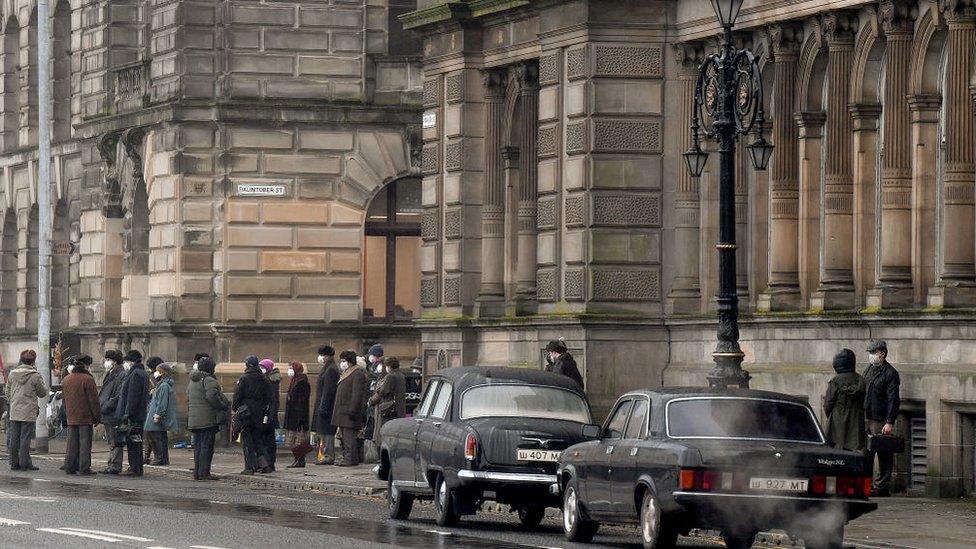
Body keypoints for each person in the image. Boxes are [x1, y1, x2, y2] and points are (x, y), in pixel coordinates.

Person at [864, 340, 900, 497]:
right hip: (867, 416)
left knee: (884, 453)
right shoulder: (869, 369)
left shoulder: (890, 373)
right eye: (870, 353)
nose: (871, 356)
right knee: (866, 453)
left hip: (880, 419)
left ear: (882, 354)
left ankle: (882, 486)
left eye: (874, 352)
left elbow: (893, 399)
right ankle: (866, 484)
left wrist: (889, 421)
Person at [4, 350, 48, 471]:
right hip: (28, 411)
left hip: (14, 410)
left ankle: (14, 463)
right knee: (25, 438)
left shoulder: (12, 374)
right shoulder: (35, 375)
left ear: (21, 360)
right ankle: (24, 463)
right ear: (33, 361)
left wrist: (13, 402)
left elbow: (7, 391)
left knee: (14, 438)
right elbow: (42, 393)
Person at [188, 356, 229, 480]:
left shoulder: (192, 380)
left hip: (194, 418)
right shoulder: (209, 380)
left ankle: (197, 472)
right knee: (207, 447)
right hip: (207, 419)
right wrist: (221, 406)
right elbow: (212, 396)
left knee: (198, 447)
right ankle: (204, 472)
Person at [61, 354, 100, 475]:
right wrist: (97, 416)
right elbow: (93, 401)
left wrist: (66, 414)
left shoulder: (66, 379)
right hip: (85, 416)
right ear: (86, 366)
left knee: (71, 443)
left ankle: (70, 466)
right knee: (85, 443)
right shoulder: (88, 379)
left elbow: (64, 400)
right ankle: (84, 467)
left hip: (71, 415)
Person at [233, 355, 272, 475]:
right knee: (258, 440)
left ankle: (250, 467)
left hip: (246, 413)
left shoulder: (244, 378)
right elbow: (268, 397)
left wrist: (235, 408)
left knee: (247, 440)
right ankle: (265, 465)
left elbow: (237, 396)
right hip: (259, 413)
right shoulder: (264, 379)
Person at [824, 349, 866, 452]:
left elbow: (828, 404)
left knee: (836, 454)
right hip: (856, 423)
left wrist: (832, 416)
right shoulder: (860, 379)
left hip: (837, 423)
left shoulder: (835, 381)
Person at [116, 350, 150, 477]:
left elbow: (132, 396)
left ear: (131, 361)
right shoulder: (142, 373)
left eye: (127, 361)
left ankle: (134, 467)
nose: (125, 363)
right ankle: (137, 467)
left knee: (133, 443)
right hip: (140, 414)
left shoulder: (135, 374)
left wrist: (127, 413)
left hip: (133, 415)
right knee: (137, 441)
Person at [332, 350, 368, 467]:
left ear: (350, 361)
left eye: (344, 361)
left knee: (349, 437)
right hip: (343, 410)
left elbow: (357, 394)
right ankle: (348, 457)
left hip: (349, 411)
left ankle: (351, 458)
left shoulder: (357, 373)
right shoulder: (347, 372)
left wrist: (353, 410)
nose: (342, 363)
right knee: (345, 436)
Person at [144, 362, 178, 466]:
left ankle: (159, 458)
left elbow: (162, 402)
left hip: (155, 415)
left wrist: (158, 414)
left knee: (156, 438)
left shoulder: (163, 386)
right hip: (154, 413)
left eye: (158, 371)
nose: (155, 373)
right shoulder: (162, 385)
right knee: (158, 437)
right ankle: (162, 458)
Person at [368, 356, 406, 450]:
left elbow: (383, 391)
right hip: (399, 408)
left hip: (388, 408)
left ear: (389, 366)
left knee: (385, 432)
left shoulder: (390, 376)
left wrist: (378, 390)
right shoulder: (401, 375)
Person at [98, 350, 126, 474]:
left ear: (114, 362)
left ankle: (115, 465)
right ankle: (112, 463)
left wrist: (106, 406)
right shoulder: (111, 373)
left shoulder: (121, 374)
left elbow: (119, 395)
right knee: (111, 441)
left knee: (115, 440)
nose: (106, 362)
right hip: (107, 412)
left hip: (113, 412)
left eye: (108, 359)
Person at [313, 346, 339, 465]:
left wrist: (323, 406)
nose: (321, 358)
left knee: (328, 432)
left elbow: (328, 390)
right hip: (323, 404)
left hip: (327, 407)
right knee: (323, 432)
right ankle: (323, 455)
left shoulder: (331, 369)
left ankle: (328, 455)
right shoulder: (327, 368)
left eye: (323, 355)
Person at [283, 361, 312, 468]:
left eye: (291, 368)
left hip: (298, 417)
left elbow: (302, 401)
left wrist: (301, 418)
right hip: (293, 416)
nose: (290, 370)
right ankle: (297, 459)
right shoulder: (294, 380)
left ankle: (300, 460)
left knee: (298, 441)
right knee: (293, 441)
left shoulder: (302, 382)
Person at [259, 359, 281, 471]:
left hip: (267, 416)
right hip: (266, 415)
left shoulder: (271, 382)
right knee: (266, 441)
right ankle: (267, 463)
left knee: (267, 442)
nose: (260, 369)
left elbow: (274, 401)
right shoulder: (266, 380)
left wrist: (270, 416)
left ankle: (268, 464)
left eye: (262, 367)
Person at [143, 356, 164, 464]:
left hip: (152, 408)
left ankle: (150, 456)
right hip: (151, 407)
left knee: (151, 435)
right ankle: (147, 456)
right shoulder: (153, 377)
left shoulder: (153, 378)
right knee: (150, 435)